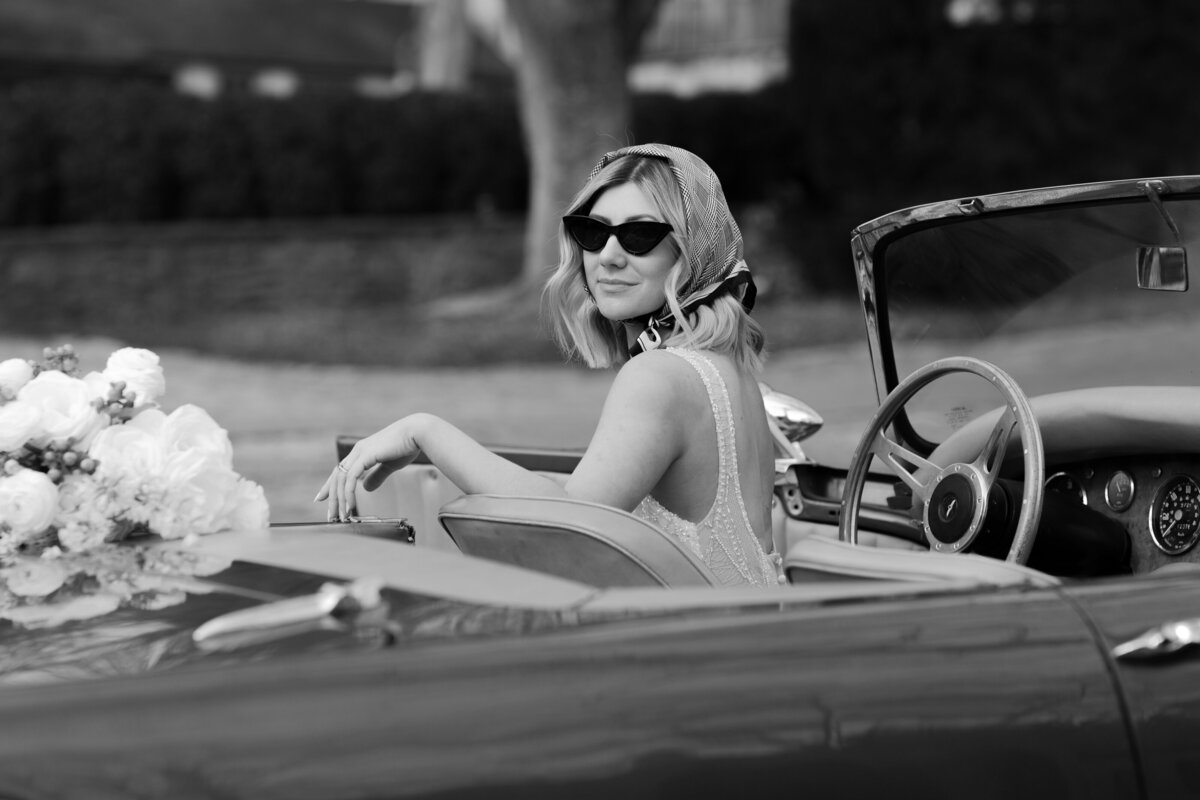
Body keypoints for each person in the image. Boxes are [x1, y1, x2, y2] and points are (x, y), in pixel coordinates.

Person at [317, 143, 781, 587]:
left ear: (692, 251)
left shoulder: (659, 377)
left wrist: (424, 431)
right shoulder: (728, 369)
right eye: (593, 232)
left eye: (640, 235)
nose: (609, 256)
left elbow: (568, 519)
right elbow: (589, 494)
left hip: (699, 652)